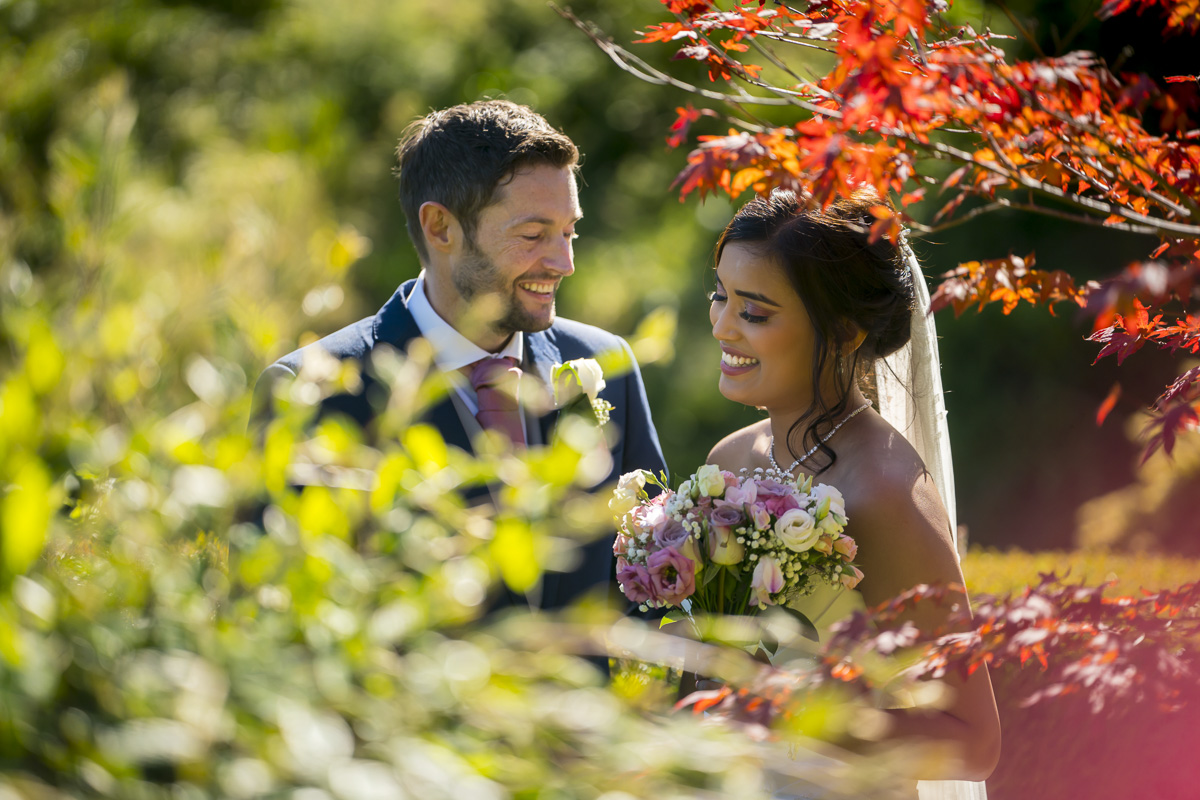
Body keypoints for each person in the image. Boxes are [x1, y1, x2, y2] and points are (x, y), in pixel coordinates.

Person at [252, 99, 667, 611]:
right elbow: (280, 615)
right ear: (441, 229)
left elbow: (653, 584)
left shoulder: (609, 366)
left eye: (569, 231)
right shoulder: (311, 391)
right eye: (533, 235)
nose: (565, 262)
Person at [703, 189, 1001, 796]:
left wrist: (794, 717)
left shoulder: (887, 492)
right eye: (719, 296)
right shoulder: (729, 460)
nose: (722, 326)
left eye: (754, 312)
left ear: (842, 332)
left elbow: (973, 742)